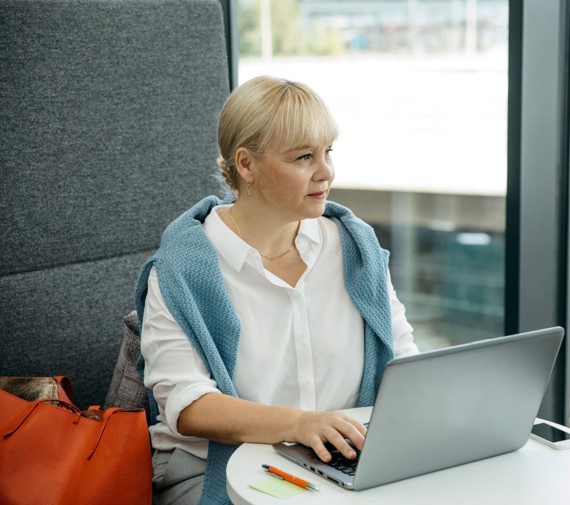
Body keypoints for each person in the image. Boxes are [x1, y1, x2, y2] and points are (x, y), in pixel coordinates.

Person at [135, 75, 419, 505]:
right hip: (214, 467)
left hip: (338, 459)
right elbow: (188, 404)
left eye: (328, 152)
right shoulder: (181, 270)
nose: (326, 172)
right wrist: (300, 424)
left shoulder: (354, 249)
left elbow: (403, 357)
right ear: (246, 165)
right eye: (304, 157)